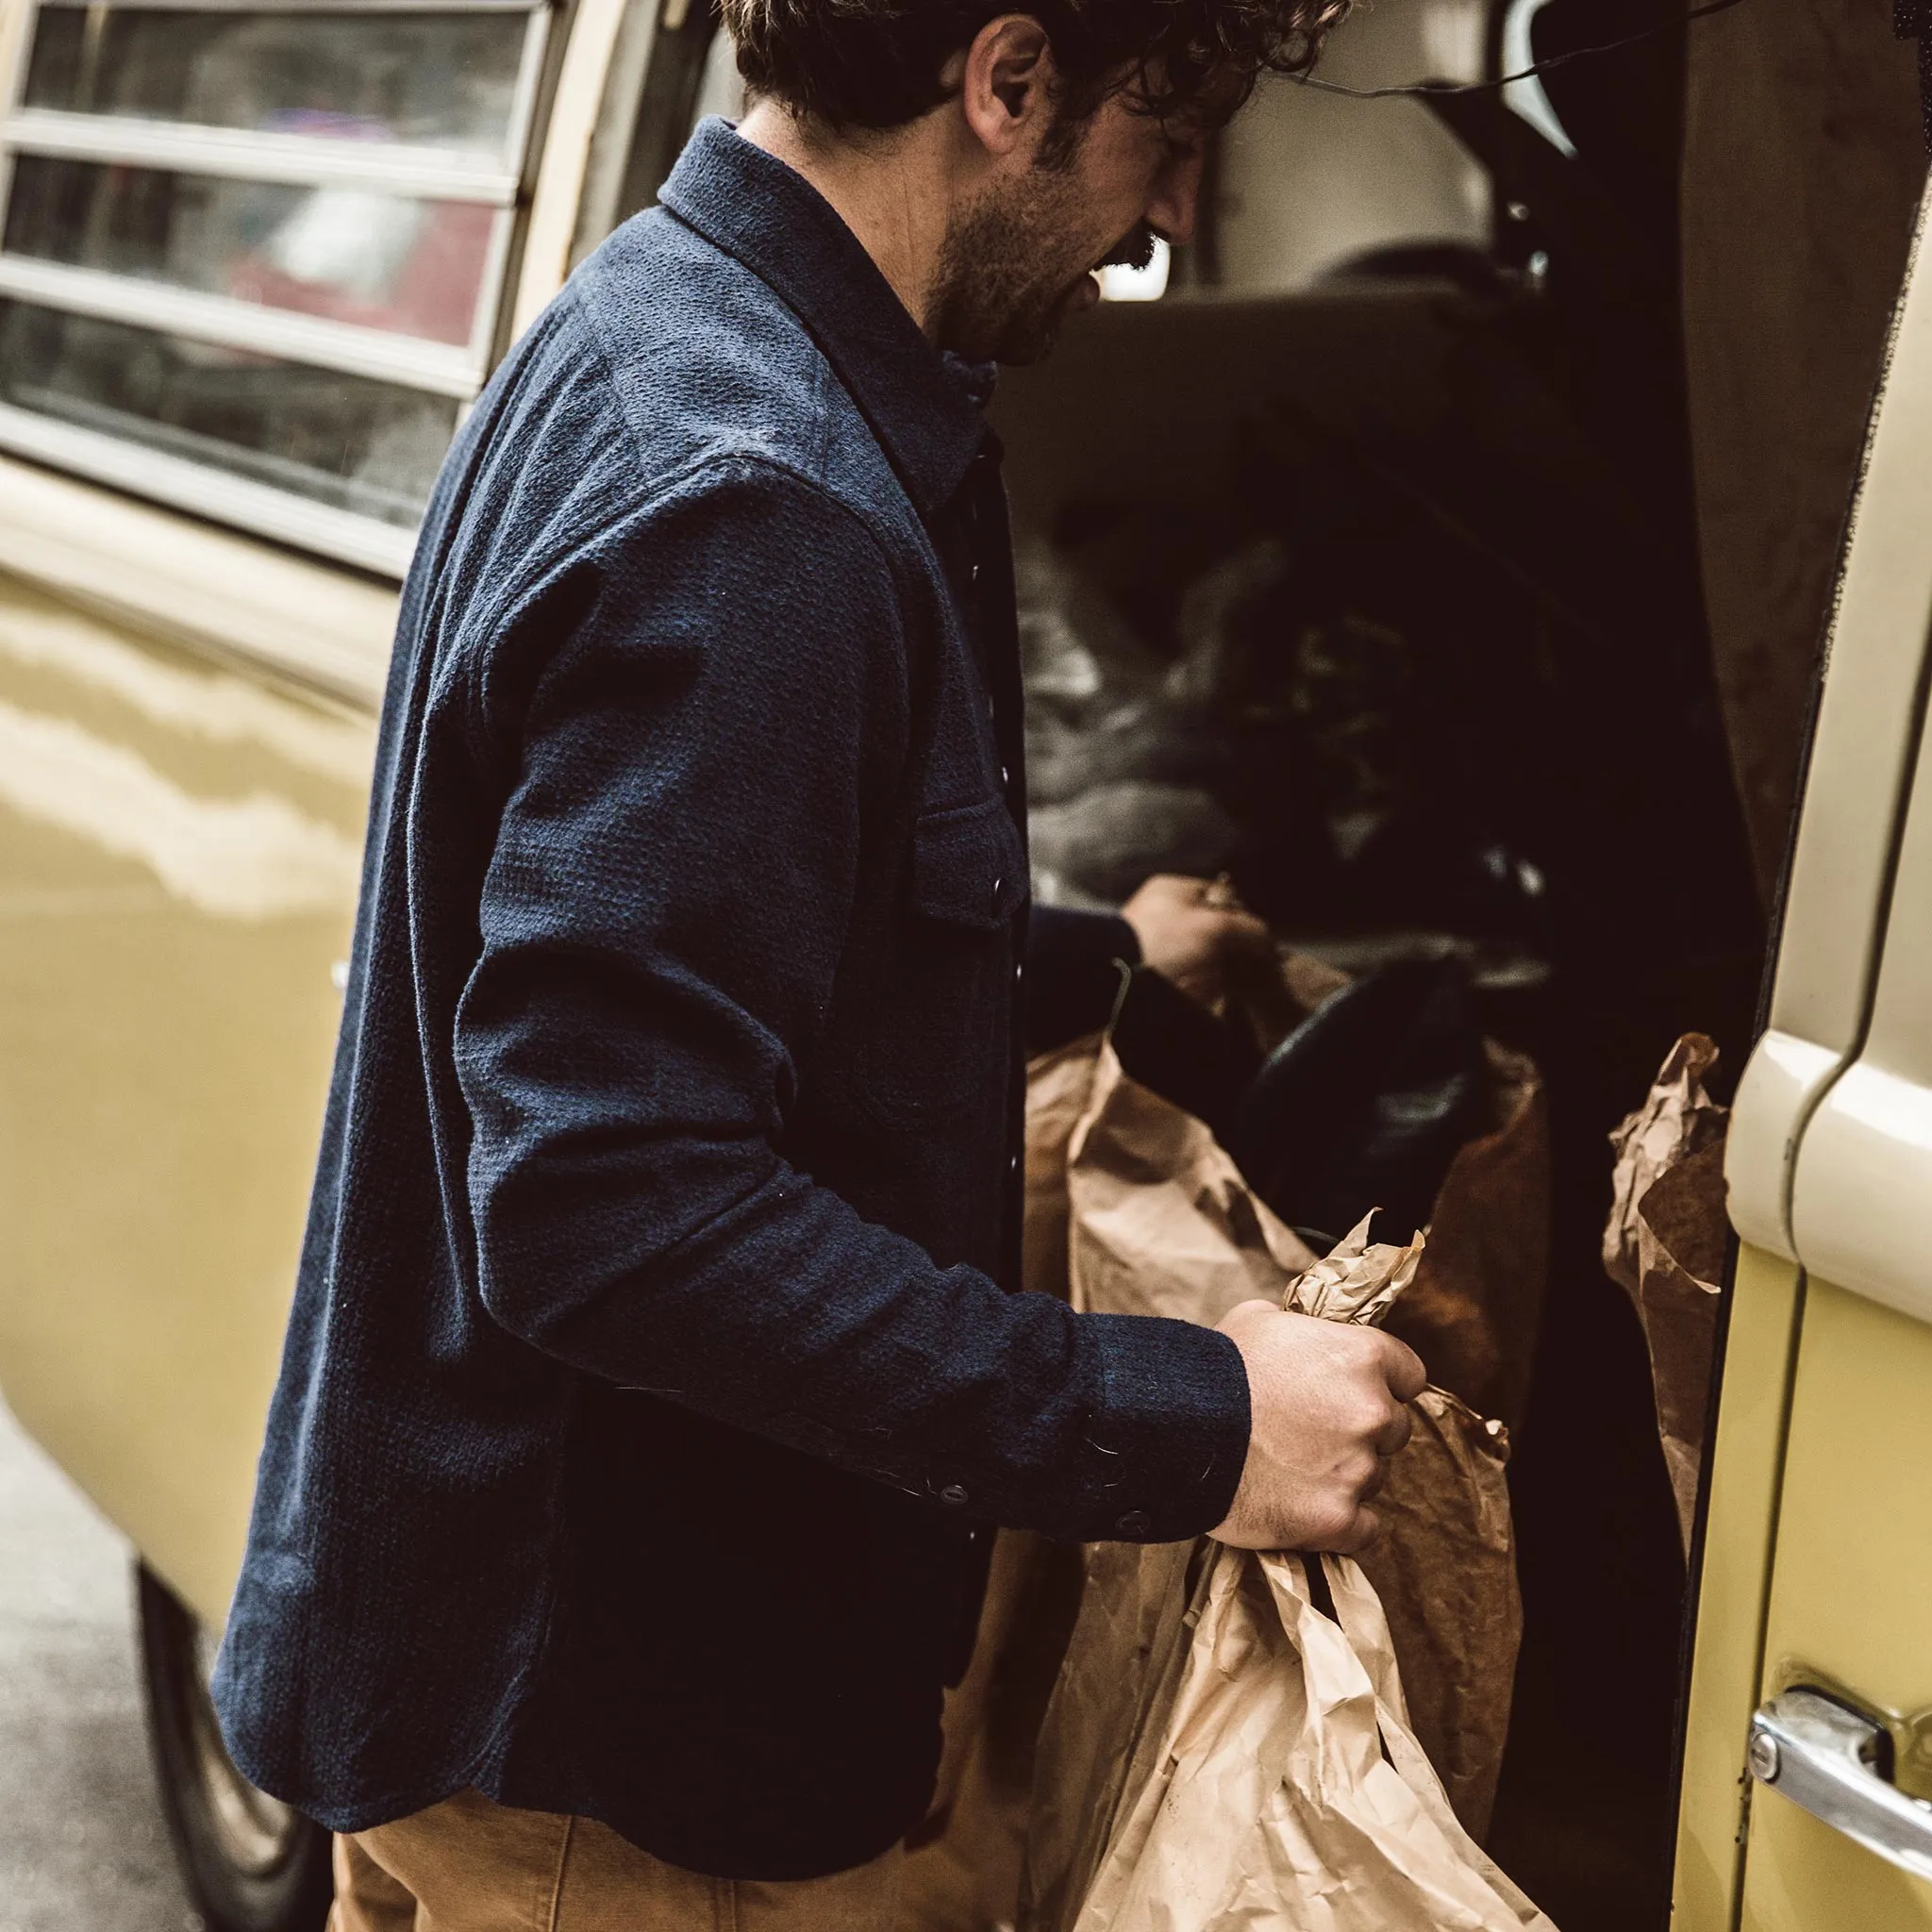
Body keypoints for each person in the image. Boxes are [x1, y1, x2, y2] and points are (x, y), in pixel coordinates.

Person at [212, 5, 1426, 1926]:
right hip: (607, 1783)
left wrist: (1099, 961)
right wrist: (1200, 1420)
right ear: (1004, 81)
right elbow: (612, 1206)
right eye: (1162, 132)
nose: (1174, 215)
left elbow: (755, 922)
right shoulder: (751, 497)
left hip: (544, 1708)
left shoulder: (667, 321)